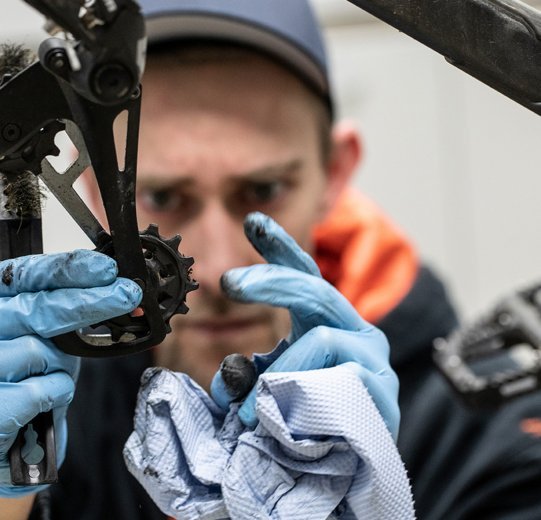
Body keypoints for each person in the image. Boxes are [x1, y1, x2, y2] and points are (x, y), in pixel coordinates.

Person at [1, 0, 541, 518]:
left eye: (263, 190)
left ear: (335, 173)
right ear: (94, 187)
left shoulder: (495, 443)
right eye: (163, 198)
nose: (215, 269)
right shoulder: (48, 409)